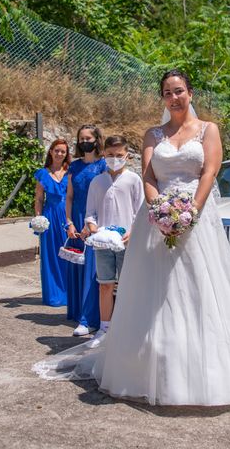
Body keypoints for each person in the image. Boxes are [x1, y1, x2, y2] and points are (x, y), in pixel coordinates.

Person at [33, 70, 230, 407]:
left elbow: (209, 171)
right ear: (162, 98)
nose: (174, 98)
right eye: (167, 93)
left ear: (190, 92)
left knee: (197, 288)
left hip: (196, 216)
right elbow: (148, 175)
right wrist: (160, 210)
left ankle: (204, 369)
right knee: (151, 291)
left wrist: (190, 213)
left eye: (179, 91)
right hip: (155, 217)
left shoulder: (208, 130)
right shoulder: (152, 134)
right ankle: (147, 366)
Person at [83, 135, 144, 347]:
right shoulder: (97, 181)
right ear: (104, 155)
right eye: (110, 155)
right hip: (103, 242)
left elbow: (141, 211)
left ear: (127, 156)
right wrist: (92, 227)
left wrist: (133, 231)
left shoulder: (134, 180)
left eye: (119, 155)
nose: (114, 159)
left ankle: (129, 326)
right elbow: (90, 212)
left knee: (128, 284)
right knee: (105, 285)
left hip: (127, 242)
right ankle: (104, 328)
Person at [65, 124, 107, 337]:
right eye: (81, 138)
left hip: (95, 221)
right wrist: (69, 222)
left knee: (92, 269)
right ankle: (78, 312)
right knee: (77, 267)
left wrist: (90, 224)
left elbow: (106, 196)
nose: (84, 141)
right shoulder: (74, 166)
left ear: (96, 139)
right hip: (77, 219)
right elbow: (69, 197)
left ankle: (90, 319)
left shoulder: (103, 165)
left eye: (88, 138)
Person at [34, 139, 70, 307]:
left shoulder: (71, 171)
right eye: (57, 150)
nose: (59, 154)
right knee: (51, 255)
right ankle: (54, 295)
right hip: (50, 215)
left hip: (67, 215)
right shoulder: (42, 173)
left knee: (69, 253)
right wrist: (39, 217)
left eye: (63, 151)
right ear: (51, 152)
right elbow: (39, 199)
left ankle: (70, 294)